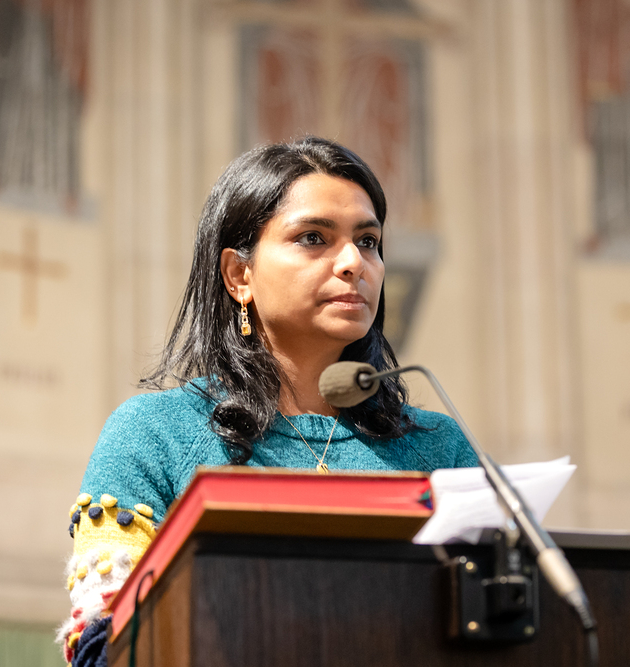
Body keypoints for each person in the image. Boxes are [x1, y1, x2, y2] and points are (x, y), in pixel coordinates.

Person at [56, 137, 478, 665]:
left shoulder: (440, 448)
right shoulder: (152, 434)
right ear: (240, 275)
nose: (354, 262)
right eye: (313, 238)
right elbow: (102, 647)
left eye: (368, 241)